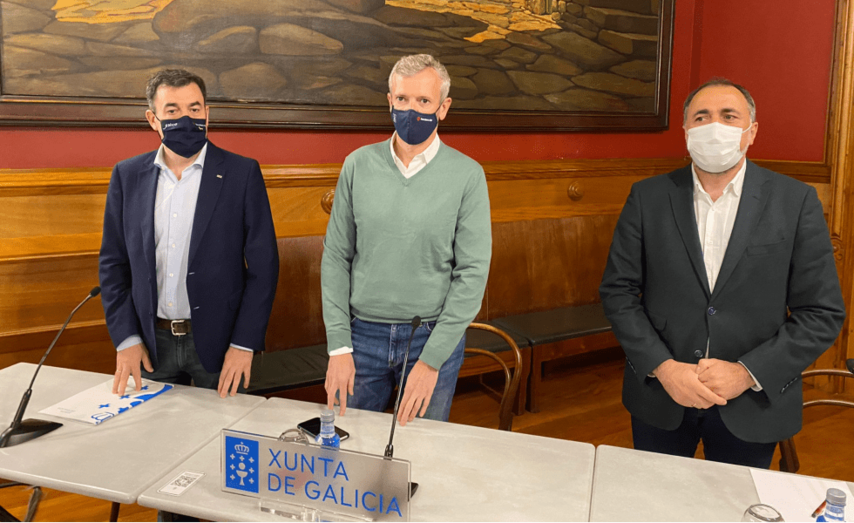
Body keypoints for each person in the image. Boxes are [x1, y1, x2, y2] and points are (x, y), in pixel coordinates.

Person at [599, 78, 845, 468]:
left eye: (729, 116)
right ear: (686, 131)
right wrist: (664, 368)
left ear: (752, 131)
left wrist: (747, 373)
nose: (715, 126)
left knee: (736, 500)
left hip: (752, 403)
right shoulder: (647, 197)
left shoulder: (796, 201)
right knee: (654, 496)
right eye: (702, 117)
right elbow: (618, 292)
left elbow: (821, 312)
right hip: (662, 395)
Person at [322, 54, 492, 426]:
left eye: (423, 101)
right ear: (390, 101)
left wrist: (432, 361)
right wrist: (339, 345)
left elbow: (472, 273)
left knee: (421, 449)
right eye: (402, 99)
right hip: (361, 336)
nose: (411, 110)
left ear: (443, 107)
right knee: (347, 441)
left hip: (430, 337)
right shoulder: (357, 164)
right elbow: (335, 257)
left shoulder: (468, 175)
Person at [99, 69, 279, 399]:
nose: (186, 119)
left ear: (207, 114)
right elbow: (113, 264)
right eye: (173, 111)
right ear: (153, 119)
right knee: (153, 430)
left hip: (221, 344)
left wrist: (244, 344)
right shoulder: (127, 175)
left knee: (226, 429)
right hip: (150, 345)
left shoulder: (242, 173)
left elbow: (263, 267)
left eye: (194, 109)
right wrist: (126, 339)